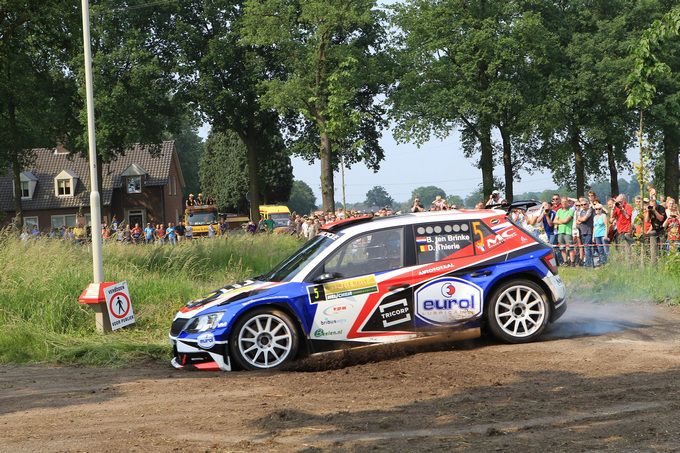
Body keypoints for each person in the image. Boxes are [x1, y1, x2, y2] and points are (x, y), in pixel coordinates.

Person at [645, 188, 666, 262]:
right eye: (650, 202)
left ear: (656, 202)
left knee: (662, 248)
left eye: (653, 202)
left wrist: (654, 211)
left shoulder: (661, 208)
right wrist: (648, 212)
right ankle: (654, 261)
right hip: (654, 230)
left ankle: (663, 261)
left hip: (661, 230)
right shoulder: (650, 209)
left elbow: (661, 219)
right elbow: (646, 220)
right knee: (653, 247)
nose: (652, 204)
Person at [553, 197, 575, 266]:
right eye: (562, 202)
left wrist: (559, 221)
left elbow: (566, 221)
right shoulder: (559, 211)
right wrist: (562, 221)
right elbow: (554, 221)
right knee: (562, 248)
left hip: (568, 231)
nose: (564, 203)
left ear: (568, 202)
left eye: (565, 201)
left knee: (570, 248)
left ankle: (572, 262)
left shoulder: (570, 210)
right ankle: (565, 262)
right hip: (560, 231)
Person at [575, 197, 594, 267]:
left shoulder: (590, 210)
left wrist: (581, 219)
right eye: (581, 205)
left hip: (588, 232)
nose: (583, 206)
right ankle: (590, 264)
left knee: (587, 249)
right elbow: (577, 221)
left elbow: (584, 219)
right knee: (586, 249)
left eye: (584, 204)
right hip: (582, 232)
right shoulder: (581, 211)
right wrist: (581, 219)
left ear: (588, 204)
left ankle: (588, 264)